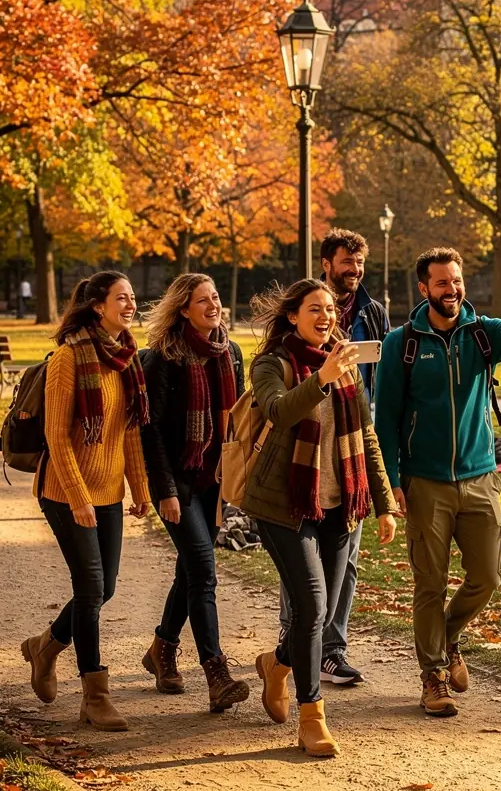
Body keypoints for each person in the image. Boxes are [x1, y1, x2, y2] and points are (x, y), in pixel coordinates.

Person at [374, 248, 501, 718]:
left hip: (480, 476)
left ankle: (447, 636)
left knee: (488, 574)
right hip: (424, 482)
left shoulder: (484, 333)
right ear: (423, 289)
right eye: (442, 284)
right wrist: (392, 482)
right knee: (430, 582)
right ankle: (433, 676)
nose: (453, 290)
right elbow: (384, 420)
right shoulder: (400, 344)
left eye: (457, 281)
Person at [242, 279, 398, 757]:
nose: (326, 316)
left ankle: (277, 663)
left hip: (337, 504)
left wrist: (385, 502)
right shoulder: (274, 364)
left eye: (331, 309)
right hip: (283, 504)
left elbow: (366, 437)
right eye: (315, 308)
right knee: (311, 606)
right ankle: (312, 717)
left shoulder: (344, 366)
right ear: (293, 316)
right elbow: (277, 411)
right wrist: (322, 378)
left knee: (324, 612)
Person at [21, 271, 151, 732]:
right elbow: (57, 435)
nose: (131, 303)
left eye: (133, 297)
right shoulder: (68, 357)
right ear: (98, 305)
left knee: (104, 588)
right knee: (92, 589)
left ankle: (45, 646)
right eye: (122, 297)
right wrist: (78, 499)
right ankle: (95, 696)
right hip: (64, 491)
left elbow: (129, 429)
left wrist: (140, 487)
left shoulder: (127, 358)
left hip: (108, 493)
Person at [279, 228, 389, 687]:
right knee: (302, 562)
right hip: (308, 447)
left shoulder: (372, 312)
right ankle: (294, 639)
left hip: (353, 444)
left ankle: (332, 647)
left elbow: (381, 375)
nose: (355, 270)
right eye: (347, 262)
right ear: (327, 262)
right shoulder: (309, 307)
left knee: (348, 558)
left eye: (360, 262)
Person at [140, 275, 251, 713]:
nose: (213, 306)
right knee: (204, 569)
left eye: (216, 298)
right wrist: (165, 491)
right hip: (177, 481)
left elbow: (237, 417)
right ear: (183, 309)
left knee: (191, 570)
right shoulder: (163, 358)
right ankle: (216, 672)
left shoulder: (231, 352)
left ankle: (162, 648)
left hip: (213, 478)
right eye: (203, 300)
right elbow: (152, 434)